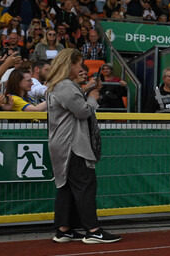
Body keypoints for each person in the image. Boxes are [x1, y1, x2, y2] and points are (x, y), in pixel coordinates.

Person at [46, 50, 121, 244]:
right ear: (70, 65)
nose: (82, 69)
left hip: (63, 143)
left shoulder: (59, 85)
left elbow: (75, 104)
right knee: (85, 185)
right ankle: (93, 230)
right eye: (79, 65)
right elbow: (82, 111)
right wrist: (93, 96)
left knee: (66, 187)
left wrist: (87, 90)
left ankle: (64, 229)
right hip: (72, 144)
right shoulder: (65, 86)